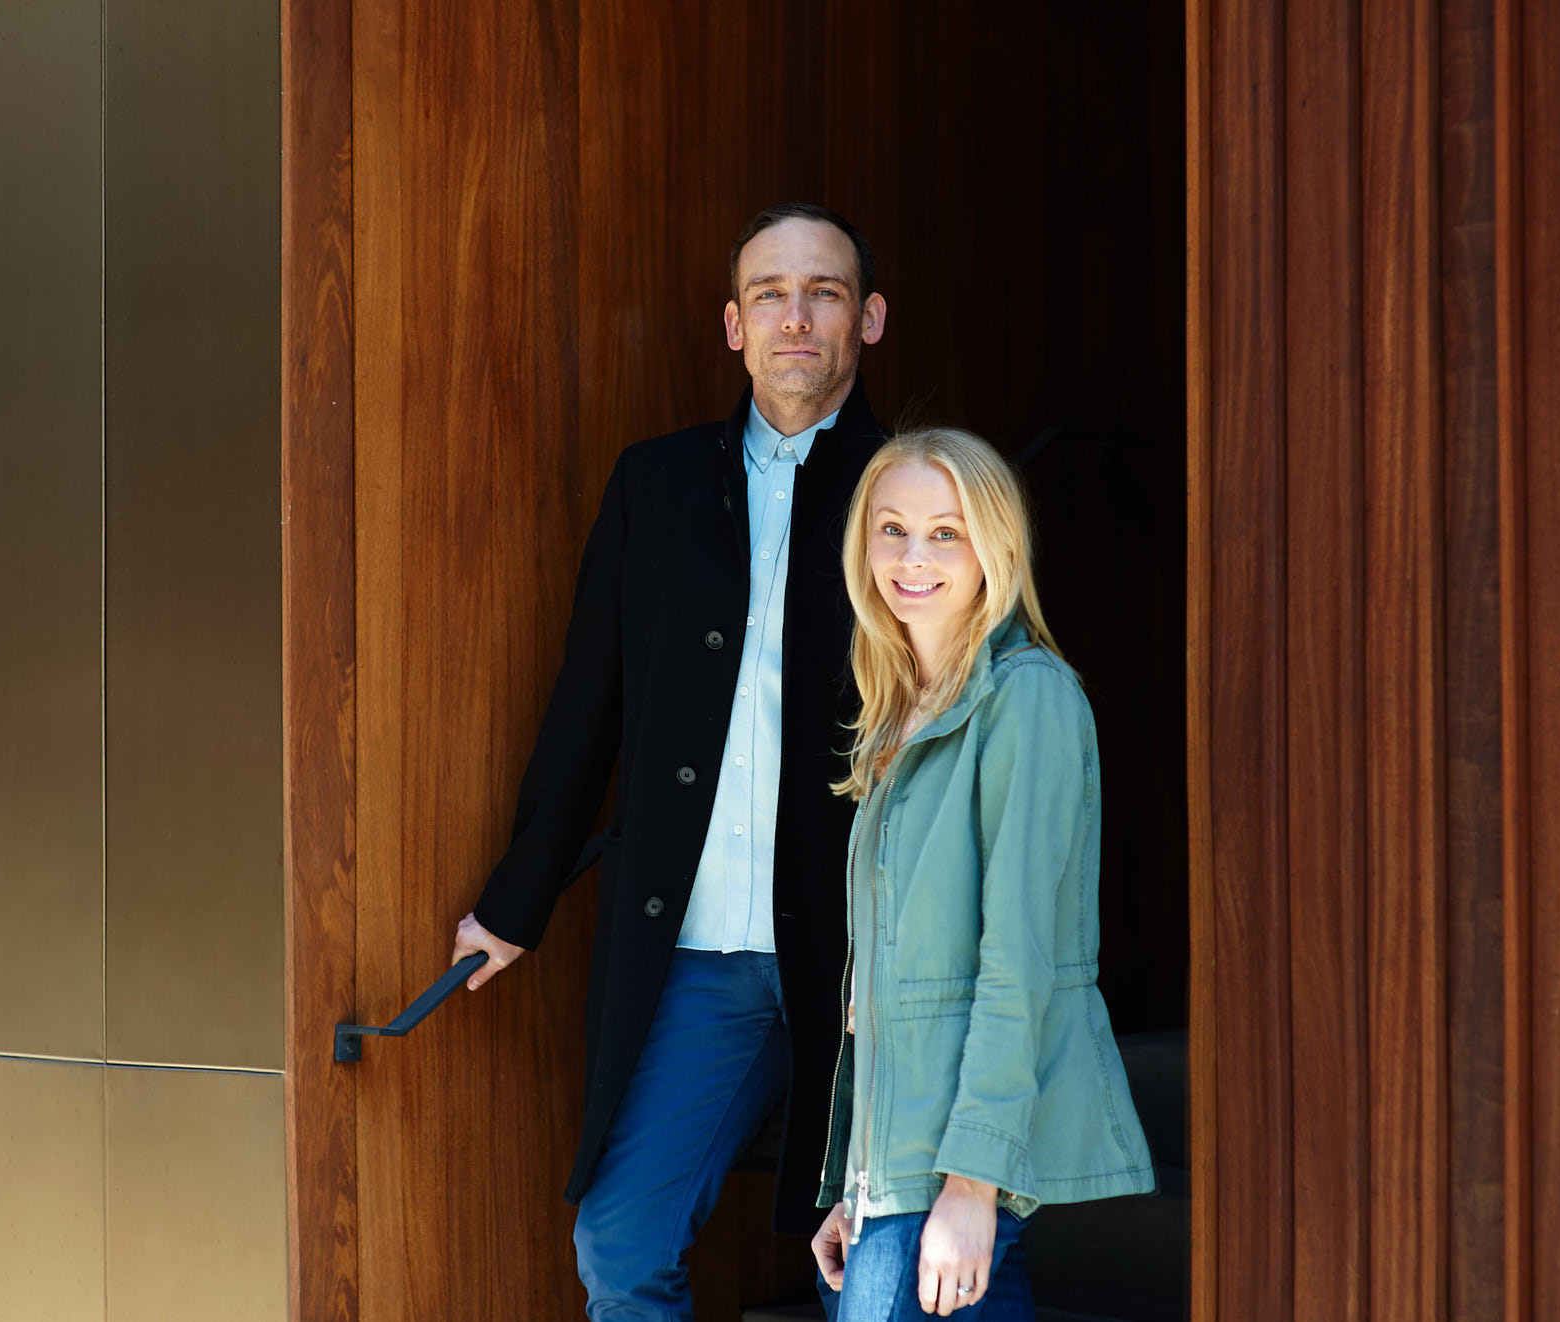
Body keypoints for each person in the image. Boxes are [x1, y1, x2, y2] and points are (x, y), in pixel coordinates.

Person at [449, 203, 890, 1318]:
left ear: (868, 319)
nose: (796, 317)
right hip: (702, 958)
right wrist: (516, 900)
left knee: (876, 1273)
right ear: (731, 326)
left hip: (870, 964)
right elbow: (585, 705)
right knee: (619, 1238)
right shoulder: (654, 483)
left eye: (824, 292)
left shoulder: (917, 488)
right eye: (769, 295)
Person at [810, 429, 1155, 1319]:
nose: (912, 557)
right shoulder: (901, 706)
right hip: (895, 1177)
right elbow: (888, 982)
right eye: (892, 529)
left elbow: (1018, 962)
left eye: (945, 532)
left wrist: (974, 1184)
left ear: (992, 546)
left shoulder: (1026, 697)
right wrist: (857, 1175)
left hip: (949, 1176)